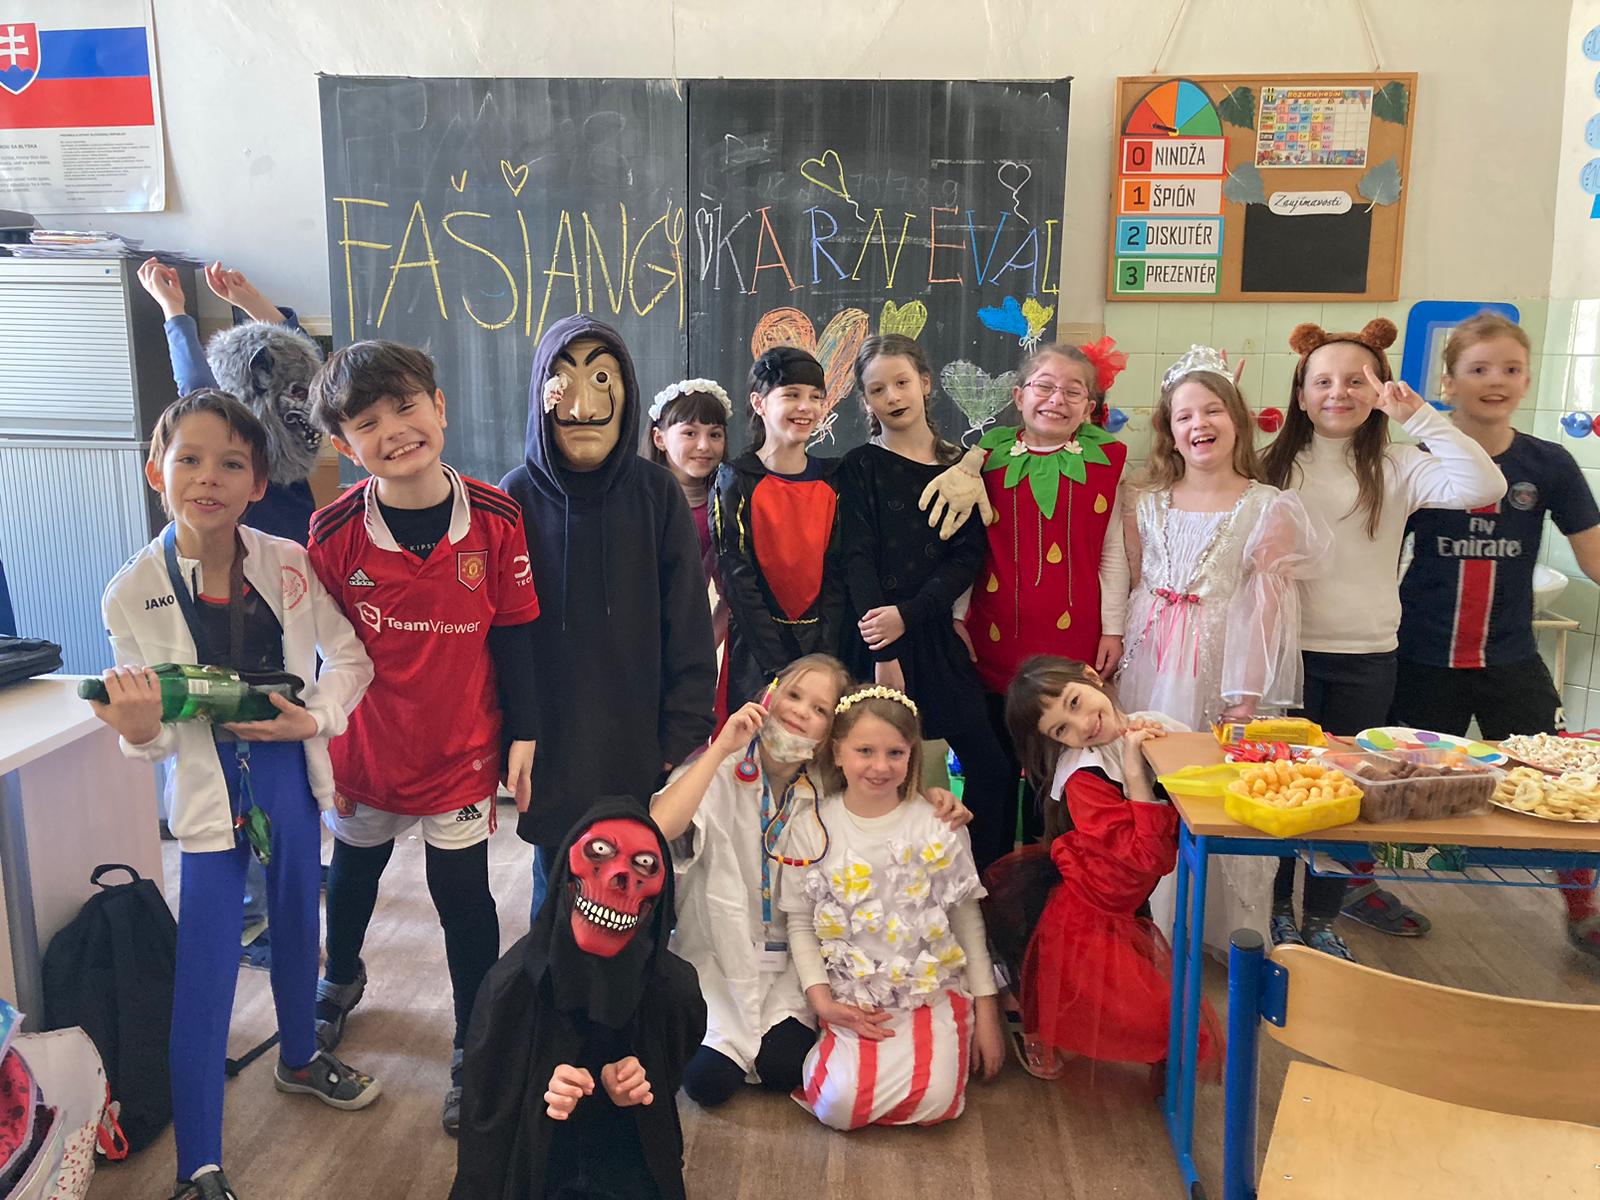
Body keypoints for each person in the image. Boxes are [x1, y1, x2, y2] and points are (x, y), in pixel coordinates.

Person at [89, 391, 378, 1200]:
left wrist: (313, 719)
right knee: (208, 968)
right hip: (210, 787)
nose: (207, 477)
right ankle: (199, 1166)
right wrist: (137, 727)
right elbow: (147, 737)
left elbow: (350, 661)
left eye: (230, 464)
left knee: (299, 925)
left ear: (257, 484)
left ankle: (299, 1058)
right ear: (157, 472)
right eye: (188, 459)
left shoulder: (287, 561)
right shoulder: (130, 591)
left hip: (286, 768)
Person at [304, 341, 541, 1134]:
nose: (394, 431)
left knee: (464, 899)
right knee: (353, 875)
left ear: (439, 407)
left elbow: (516, 633)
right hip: (367, 750)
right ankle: (340, 980)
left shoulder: (499, 518)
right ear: (346, 446)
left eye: (406, 407)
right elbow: (321, 653)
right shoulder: (333, 532)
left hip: (461, 752)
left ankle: (473, 1041)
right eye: (367, 423)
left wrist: (525, 733)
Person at [1260, 319, 1504, 958]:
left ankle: (1321, 916)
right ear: (1300, 394)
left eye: (1356, 380)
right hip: (1283, 656)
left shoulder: (1398, 464)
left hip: (1366, 656)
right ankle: (1275, 910)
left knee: (1349, 795)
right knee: (1285, 788)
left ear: (1380, 390)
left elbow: (1486, 486)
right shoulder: (1270, 465)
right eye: (1322, 382)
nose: (1338, 393)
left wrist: (1418, 416)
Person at [651, 653, 974, 1108]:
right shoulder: (720, 772)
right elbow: (659, 829)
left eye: (820, 709)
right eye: (794, 695)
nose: (801, 711)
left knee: (784, 1068)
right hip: (718, 959)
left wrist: (932, 797)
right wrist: (720, 749)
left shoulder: (827, 785)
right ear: (769, 695)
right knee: (708, 1084)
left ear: (832, 735)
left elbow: (882, 784)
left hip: (792, 965)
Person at [1392, 311, 1600, 960]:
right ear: (1448, 383)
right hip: (1421, 659)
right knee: (1390, 782)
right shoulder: (1415, 460)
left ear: (1528, 380)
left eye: (1510, 369)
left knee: (1560, 780)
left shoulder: (1549, 464)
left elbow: (1594, 556)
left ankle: (1582, 909)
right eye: (1478, 368)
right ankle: (1358, 888)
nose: (1496, 380)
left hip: (1511, 659)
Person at [137, 257, 326, 954]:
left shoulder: (282, 433)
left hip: (284, 593)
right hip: (228, 602)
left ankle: (287, 863)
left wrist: (203, 307)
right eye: (191, 462)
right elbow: (212, 383)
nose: (212, 473)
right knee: (224, 744)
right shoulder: (250, 434)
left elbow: (290, 365)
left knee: (283, 731)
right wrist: (192, 310)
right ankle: (253, 905)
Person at [501, 316, 717, 920]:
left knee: (636, 884)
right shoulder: (516, 495)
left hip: (637, 739)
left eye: (601, 379)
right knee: (556, 891)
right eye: (563, 382)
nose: (583, 405)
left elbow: (688, 622)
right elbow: (503, 634)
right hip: (550, 739)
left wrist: (680, 731)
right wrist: (511, 731)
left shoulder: (656, 493)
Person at [1118, 348, 1327, 954]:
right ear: (1170, 429)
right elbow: (1133, 579)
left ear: (1236, 418)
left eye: (1211, 410)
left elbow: (1266, 608)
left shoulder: (1266, 506)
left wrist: (1246, 695)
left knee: (1214, 786)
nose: (1199, 424)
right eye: (1184, 415)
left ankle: (1210, 929)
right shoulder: (1145, 499)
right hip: (1147, 659)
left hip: (1219, 665)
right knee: (1146, 779)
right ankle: (1145, 917)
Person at [919, 338, 1132, 844]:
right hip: (993, 635)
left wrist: (1113, 628)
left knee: (1057, 768)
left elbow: (1112, 552)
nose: (1057, 400)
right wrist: (956, 616)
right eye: (1045, 386)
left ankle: (1051, 867)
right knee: (994, 764)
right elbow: (968, 546)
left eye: (1073, 391)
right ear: (1019, 396)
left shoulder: (1110, 462)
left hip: (1072, 640)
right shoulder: (983, 459)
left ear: (1089, 406)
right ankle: (989, 872)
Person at [450, 801, 706, 1200]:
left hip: (623, 1148)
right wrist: (541, 1092)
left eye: (643, 865)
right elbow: (487, 1125)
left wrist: (638, 1082)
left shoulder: (674, 990)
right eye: (599, 852)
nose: (620, 876)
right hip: (537, 1158)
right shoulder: (510, 989)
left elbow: (667, 1085)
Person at [779, 685, 1005, 1129]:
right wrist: (823, 1003)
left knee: (938, 1104)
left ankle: (938, 1045)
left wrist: (988, 1015)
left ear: (911, 755)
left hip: (929, 992)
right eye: (865, 751)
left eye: (895, 753)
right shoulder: (812, 825)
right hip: (851, 996)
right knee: (838, 1107)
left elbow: (966, 920)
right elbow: (801, 923)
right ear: (838, 753)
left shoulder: (938, 823)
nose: (880, 767)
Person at [989, 656, 1218, 1080]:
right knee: (1098, 1000)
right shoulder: (1084, 780)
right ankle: (1028, 1019)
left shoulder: (1150, 723)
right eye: (1061, 730)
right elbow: (1151, 856)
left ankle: (1024, 1002)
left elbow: (1199, 774)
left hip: (1127, 897)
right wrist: (1135, 771)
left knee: (1121, 1003)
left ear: (1091, 677)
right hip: (1092, 910)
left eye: (1075, 702)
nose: (1082, 726)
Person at [837, 334, 1016, 871]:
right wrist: (884, 647)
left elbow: (967, 558)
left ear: (925, 384)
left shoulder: (962, 466)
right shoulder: (860, 465)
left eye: (901, 383)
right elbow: (856, 557)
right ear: (865, 401)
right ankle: (886, 883)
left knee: (992, 767)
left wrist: (909, 616)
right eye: (877, 390)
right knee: (883, 770)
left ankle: (983, 883)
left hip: (932, 631)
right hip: (874, 640)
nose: (892, 397)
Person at [713, 346, 847, 708]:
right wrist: (777, 666)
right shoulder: (736, 479)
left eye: (815, 397)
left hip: (822, 648)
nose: (806, 407)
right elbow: (738, 578)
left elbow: (836, 571)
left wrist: (820, 658)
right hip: (755, 653)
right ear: (759, 403)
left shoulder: (834, 479)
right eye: (791, 395)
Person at [647, 378, 733, 716]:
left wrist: (699, 650)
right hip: (630, 649)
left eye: (715, 434)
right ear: (659, 438)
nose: (703, 445)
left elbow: (729, 596)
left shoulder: (725, 507)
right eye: (689, 433)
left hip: (685, 659)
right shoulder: (637, 501)